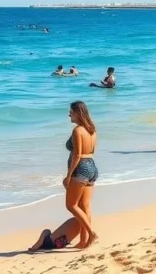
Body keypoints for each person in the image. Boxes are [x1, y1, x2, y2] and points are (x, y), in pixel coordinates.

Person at [63, 101, 98, 248]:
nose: (69, 114)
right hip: (92, 167)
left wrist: (69, 175)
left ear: (78, 113)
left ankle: (91, 234)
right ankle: (84, 241)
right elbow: (91, 151)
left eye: (71, 111)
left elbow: (77, 155)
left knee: (71, 205)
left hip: (81, 168)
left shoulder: (78, 131)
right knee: (84, 205)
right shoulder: (92, 130)